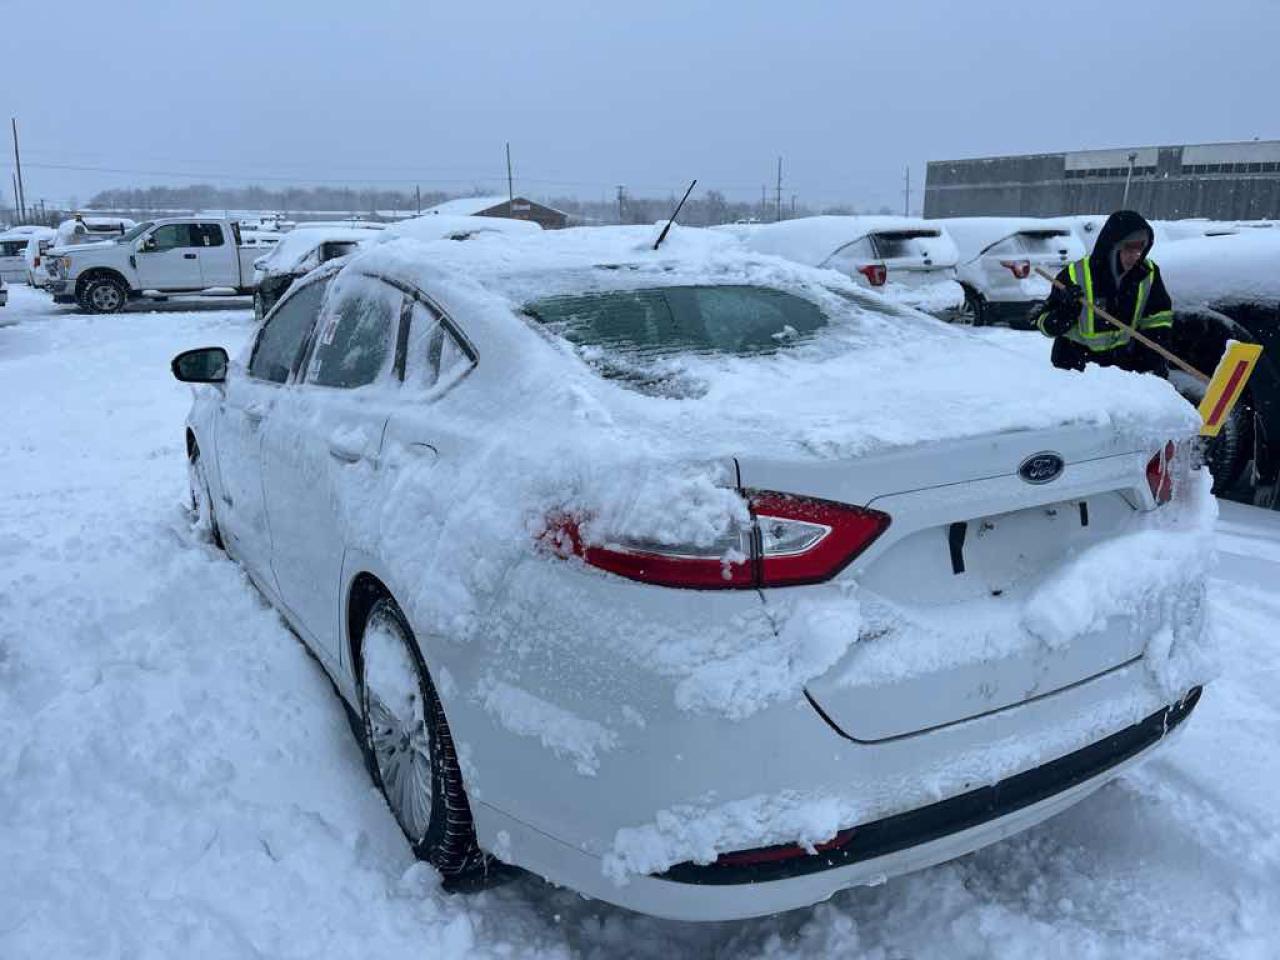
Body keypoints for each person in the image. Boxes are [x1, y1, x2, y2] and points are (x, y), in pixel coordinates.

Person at [1034, 210, 1174, 377]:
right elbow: (1044, 325)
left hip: (1120, 368)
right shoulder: (1075, 275)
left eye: (1141, 247)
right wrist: (1066, 311)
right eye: (1130, 247)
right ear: (1114, 245)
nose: (1136, 255)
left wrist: (1152, 355)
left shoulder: (1147, 273)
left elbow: (1158, 317)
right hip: (1074, 369)